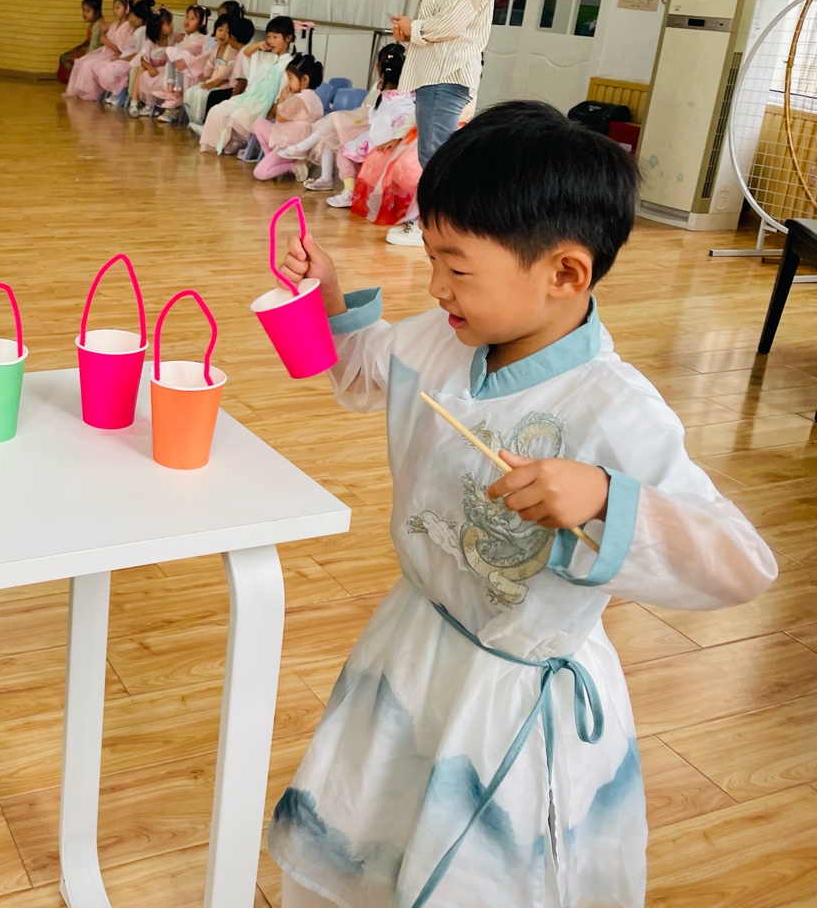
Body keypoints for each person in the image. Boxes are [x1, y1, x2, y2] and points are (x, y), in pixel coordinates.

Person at [267, 102, 776, 908]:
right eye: (432, 256)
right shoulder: (444, 339)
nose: (435, 286)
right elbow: (363, 374)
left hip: (512, 695)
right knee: (378, 829)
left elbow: (742, 565)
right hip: (415, 642)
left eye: (457, 267)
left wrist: (604, 496)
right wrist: (327, 295)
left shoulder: (617, 411)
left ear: (565, 274)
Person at [385, 0, 507, 248]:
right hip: (435, 75)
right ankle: (444, 224)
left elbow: (451, 23)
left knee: (437, 157)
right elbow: (440, 22)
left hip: (446, 75)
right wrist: (410, 30)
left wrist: (414, 28)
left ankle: (442, 226)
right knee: (435, 155)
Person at [279, 44, 411, 206]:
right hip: (365, 121)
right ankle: (326, 177)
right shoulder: (383, 90)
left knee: (335, 119)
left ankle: (303, 147)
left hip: (367, 125)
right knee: (330, 134)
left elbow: (377, 117)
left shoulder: (398, 95)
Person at [198, 15, 296, 154]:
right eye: (268, 36)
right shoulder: (266, 56)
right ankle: (214, 145)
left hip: (263, 103)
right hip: (249, 97)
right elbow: (247, 53)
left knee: (239, 115)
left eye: (275, 37)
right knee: (218, 110)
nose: (271, 41)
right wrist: (259, 45)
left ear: (288, 38)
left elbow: (282, 91)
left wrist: (272, 111)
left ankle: (238, 142)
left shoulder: (289, 62)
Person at [251, 54, 324, 180]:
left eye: (290, 78)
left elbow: (279, 117)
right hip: (287, 137)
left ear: (304, 79)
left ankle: (293, 166)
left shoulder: (300, 99)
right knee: (259, 123)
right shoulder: (312, 97)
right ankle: (271, 159)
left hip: (291, 145)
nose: (288, 82)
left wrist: (282, 97)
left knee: (260, 173)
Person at [185, 15, 252, 129]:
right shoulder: (215, 48)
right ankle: (197, 121)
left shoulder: (236, 52)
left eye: (227, 32)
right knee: (192, 92)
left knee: (208, 96)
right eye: (220, 30)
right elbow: (209, 65)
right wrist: (207, 78)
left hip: (225, 85)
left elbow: (229, 75)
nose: (223, 34)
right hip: (214, 81)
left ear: (232, 36)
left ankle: (205, 124)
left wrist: (213, 84)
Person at [65, 0, 134, 101]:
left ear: (127, 9)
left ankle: (92, 93)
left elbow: (122, 50)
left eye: (118, 8)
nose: (115, 11)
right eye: (114, 8)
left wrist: (105, 41)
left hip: (117, 55)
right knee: (83, 61)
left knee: (90, 64)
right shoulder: (115, 24)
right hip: (106, 52)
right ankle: (84, 91)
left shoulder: (128, 27)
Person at [130, 6, 176, 117]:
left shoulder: (172, 38)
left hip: (166, 70)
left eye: (171, 22)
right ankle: (137, 102)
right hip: (153, 68)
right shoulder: (150, 43)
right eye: (168, 23)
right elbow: (142, 59)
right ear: (158, 27)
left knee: (169, 78)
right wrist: (150, 67)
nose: (171, 25)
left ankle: (164, 105)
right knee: (142, 72)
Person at [58, 0, 104, 84]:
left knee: (67, 58)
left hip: (94, 52)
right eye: (83, 10)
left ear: (97, 13)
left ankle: (77, 82)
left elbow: (95, 46)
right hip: (87, 48)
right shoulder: (93, 24)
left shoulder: (97, 25)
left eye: (88, 11)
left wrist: (85, 57)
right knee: (65, 57)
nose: (84, 14)